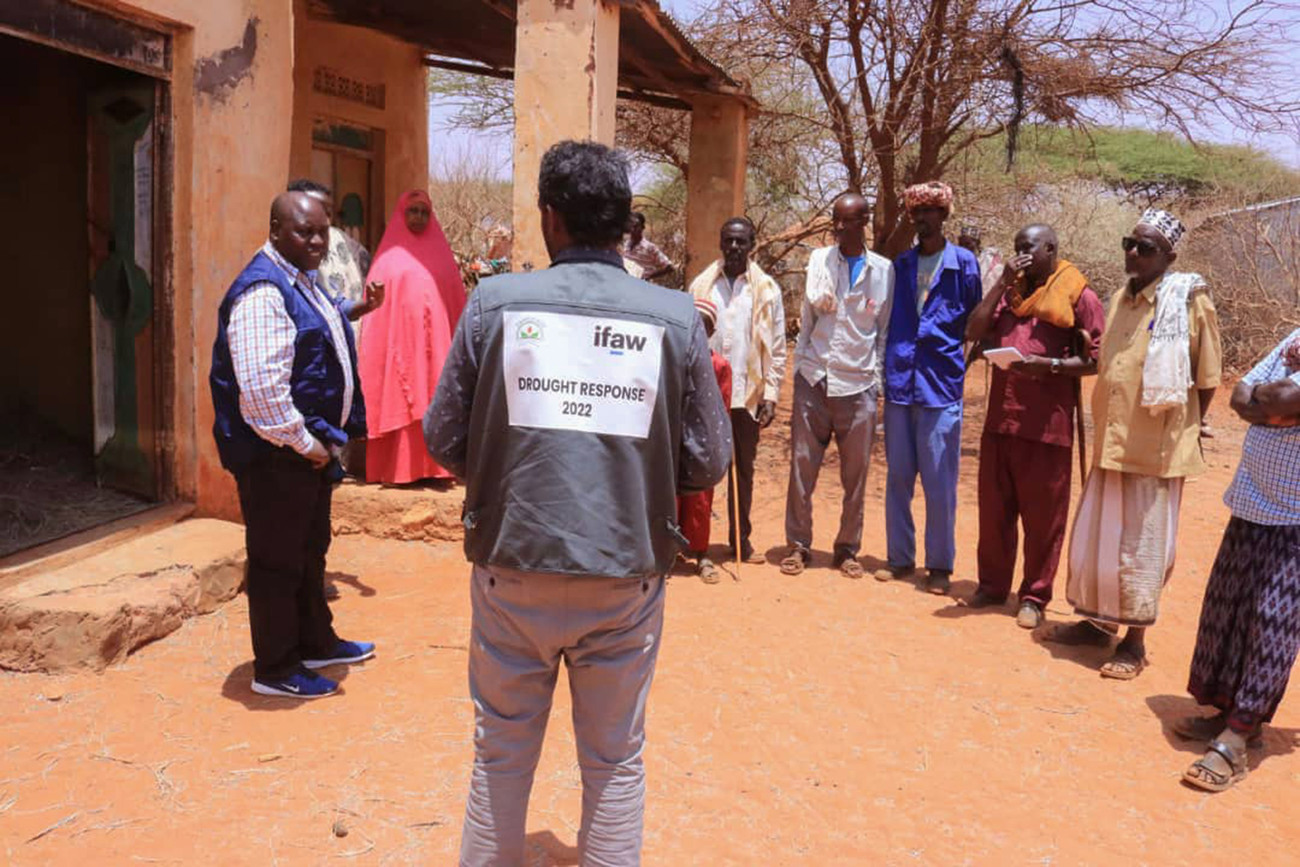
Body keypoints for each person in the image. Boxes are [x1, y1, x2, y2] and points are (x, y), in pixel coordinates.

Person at [424, 140, 731, 865]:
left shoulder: (492, 304)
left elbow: (443, 436)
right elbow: (707, 459)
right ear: (626, 225)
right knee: (615, 760)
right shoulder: (675, 318)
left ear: (550, 219)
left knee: (499, 755)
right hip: (625, 577)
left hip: (511, 569)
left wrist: (506, 469)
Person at [208, 191, 377, 698]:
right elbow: (261, 396)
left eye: (323, 230)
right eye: (306, 232)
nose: (319, 241)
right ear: (277, 229)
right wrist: (306, 444)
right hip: (277, 453)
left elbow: (322, 323)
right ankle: (277, 669)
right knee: (277, 562)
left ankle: (314, 641)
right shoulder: (262, 291)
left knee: (309, 551)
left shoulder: (300, 278)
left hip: (307, 451)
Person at [1043, 208, 1222, 680]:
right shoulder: (1122, 296)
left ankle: (1134, 643)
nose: (1134, 254)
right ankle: (1096, 623)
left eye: (1146, 248)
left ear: (1169, 255)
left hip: (1155, 449)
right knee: (1101, 538)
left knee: (1142, 547)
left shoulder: (1187, 302)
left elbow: (1207, 377)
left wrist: (1190, 428)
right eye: (1130, 243)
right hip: (1112, 440)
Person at [1175, 329, 1300, 792]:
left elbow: (1284, 394)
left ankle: (1239, 735)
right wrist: (1272, 413)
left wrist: (1271, 405)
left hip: (1295, 517)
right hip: (1251, 503)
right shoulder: (1296, 335)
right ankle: (1228, 708)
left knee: (1273, 625)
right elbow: (1242, 394)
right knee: (1228, 611)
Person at [964, 224, 1105, 628]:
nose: (1021, 254)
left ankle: (1034, 596)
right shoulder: (1011, 293)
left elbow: (1096, 358)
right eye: (1017, 247)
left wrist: (1051, 366)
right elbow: (973, 331)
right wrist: (999, 285)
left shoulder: (1080, 295)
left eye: (1029, 247)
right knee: (994, 512)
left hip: (1047, 426)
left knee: (1044, 520)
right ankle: (992, 586)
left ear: (1051, 249)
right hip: (1001, 420)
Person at [876, 181, 982, 595]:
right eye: (916, 213)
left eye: (930, 212)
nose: (922, 219)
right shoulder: (901, 265)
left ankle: (939, 566)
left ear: (944, 215)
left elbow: (975, 321)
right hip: (902, 382)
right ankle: (899, 558)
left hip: (941, 386)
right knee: (899, 478)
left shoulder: (964, 264)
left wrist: (959, 364)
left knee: (940, 483)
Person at [781, 193, 894, 579]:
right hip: (814, 380)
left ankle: (847, 549)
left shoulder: (883, 271)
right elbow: (808, 322)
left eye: (848, 221)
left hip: (858, 384)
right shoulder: (819, 262)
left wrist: (875, 383)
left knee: (855, 475)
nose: (840, 228)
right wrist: (799, 375)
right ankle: (798, 545)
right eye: (836, 220)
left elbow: (882, 333)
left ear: (864, 222)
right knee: (801, 468)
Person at [689, 217, 787, 564]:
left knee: (743, 470)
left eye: (741, 242)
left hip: (747, 394)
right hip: (706, 392)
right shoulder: (701, 285)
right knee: (701, 468)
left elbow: (776, 347)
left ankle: (739, 540)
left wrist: (771, 395)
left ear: (752, 245)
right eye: (728, 241)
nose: (734, 248)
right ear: (720, 242)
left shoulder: (766, 290)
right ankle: (695, 543)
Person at [357, 190, 467, 485]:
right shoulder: (387, 259)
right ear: (401, 215)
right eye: (412, 211)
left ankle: (437, 468)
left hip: (437, 348)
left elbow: (456, 303)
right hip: (399, 347)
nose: (418, 217)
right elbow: (374, 311)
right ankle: (397, 470)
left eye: (424, 212)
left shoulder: (442, 257)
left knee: (434, 397)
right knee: (402, 396)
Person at [678, 297, 733, 584]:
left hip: (702, 439)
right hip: (674, 437)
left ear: (711, 332)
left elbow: (722, 406)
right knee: (670, 494)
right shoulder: (674, 358)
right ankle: (668, 549)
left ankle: (701, 553)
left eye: (706, 326)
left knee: (700, 497)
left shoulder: (719, 365)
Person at [286, 179, 375, 338]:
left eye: (327, 212)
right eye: (315, 210)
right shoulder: (279, 258)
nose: (324, 219)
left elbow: (336, 306)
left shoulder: (346, 244)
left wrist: (368, 304)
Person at [622, 211, 675, 283]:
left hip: (643, 286)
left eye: (636, 226)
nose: (633, 229)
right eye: (631, 225)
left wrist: (649, 276)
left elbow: (669, 267)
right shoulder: (626, 245)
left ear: (642, 227)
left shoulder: (649, 247)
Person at [958, 224, 1004, 297]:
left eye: (968, 244)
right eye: (961, 244)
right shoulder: (957, 262)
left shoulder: (989, 263)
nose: (964, 248)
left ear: (977, 243)